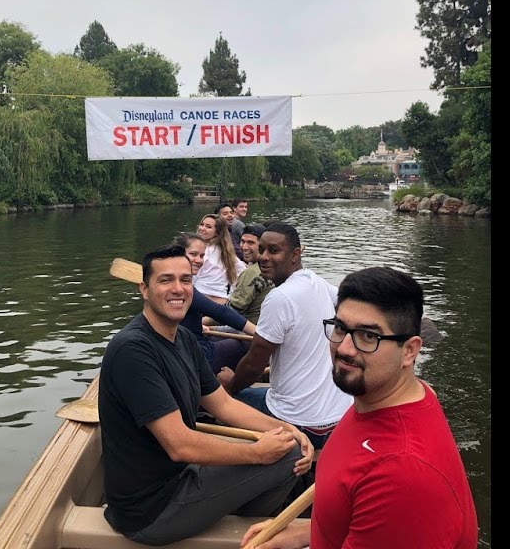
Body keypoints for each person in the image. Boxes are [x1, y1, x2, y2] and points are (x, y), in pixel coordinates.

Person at [240, 267, 479, 549]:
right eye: (341, 328)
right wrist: (304, 532)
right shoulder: (385, 397)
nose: (344, 348)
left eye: (368, 336)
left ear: (410, 351)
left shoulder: (402, 475)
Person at [99, 245, 314, 546]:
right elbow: (180, 445)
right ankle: (246, 527)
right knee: (289, 456)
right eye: (165, 280)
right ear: (144, 290)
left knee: (288, 443)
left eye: (185, 280)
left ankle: (241, 520)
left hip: (180, 477)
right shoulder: (133, 350)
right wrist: (256, 452)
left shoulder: (184, 339)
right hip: (152, 509)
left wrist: (287, 428)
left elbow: (223, 404)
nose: (178, 288)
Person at [222, 222, 351, 450]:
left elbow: (253, 366)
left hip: (300, 424)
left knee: (217, 400)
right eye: (262, 250)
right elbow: (350, 304)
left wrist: (229, 387)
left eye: (274, 251)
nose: (263, 257)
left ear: (295, 255)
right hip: (338, 421)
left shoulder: (279, 297)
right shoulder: (318, 283)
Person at [170, 233, 255, 373]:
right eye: (193, 254)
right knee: (248, 343)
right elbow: (220, 312)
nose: (199, 260)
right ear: (178, 254)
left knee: (234, 333)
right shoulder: (184, 289)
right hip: (197, 356)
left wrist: (197, 325)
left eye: (202, 256)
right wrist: (259, 333)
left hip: (186, 346)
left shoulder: (169, 282)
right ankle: (231, 382)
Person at [191, 213, 245, 304]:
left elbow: (191, 279)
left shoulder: (204, 252)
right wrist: (231, 295)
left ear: (217, 233)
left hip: (200, 300)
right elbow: (242, 272)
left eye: (208, 227)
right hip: (221, 301)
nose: (202, 228)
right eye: (202, 224)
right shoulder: (226, 252)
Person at [227, 223, 274, 326]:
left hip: (249, 328)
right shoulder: (277, 267)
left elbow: (232, 312)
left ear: (262, 246)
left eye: (250, 243)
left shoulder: (251, 272)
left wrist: (202, 321)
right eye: (242, 241)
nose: (244, 247)